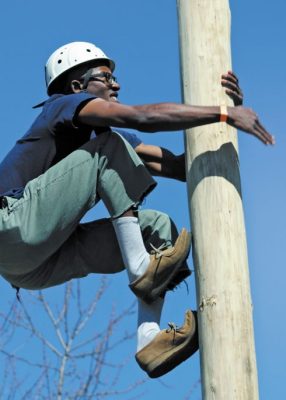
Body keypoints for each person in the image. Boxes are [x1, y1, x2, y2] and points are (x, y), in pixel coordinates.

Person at [0, 42, 274, 378]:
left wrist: (228, 118)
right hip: (10, 224)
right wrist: (220, 112)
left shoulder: (106, 141)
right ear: (77, 86)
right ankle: (142, 268)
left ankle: (148, 338)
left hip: (32, 268)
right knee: (108, 149)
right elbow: (141, 116)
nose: (116, 85)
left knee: (158, 228)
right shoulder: (63, 107)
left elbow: (179, 167)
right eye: (105, 77)